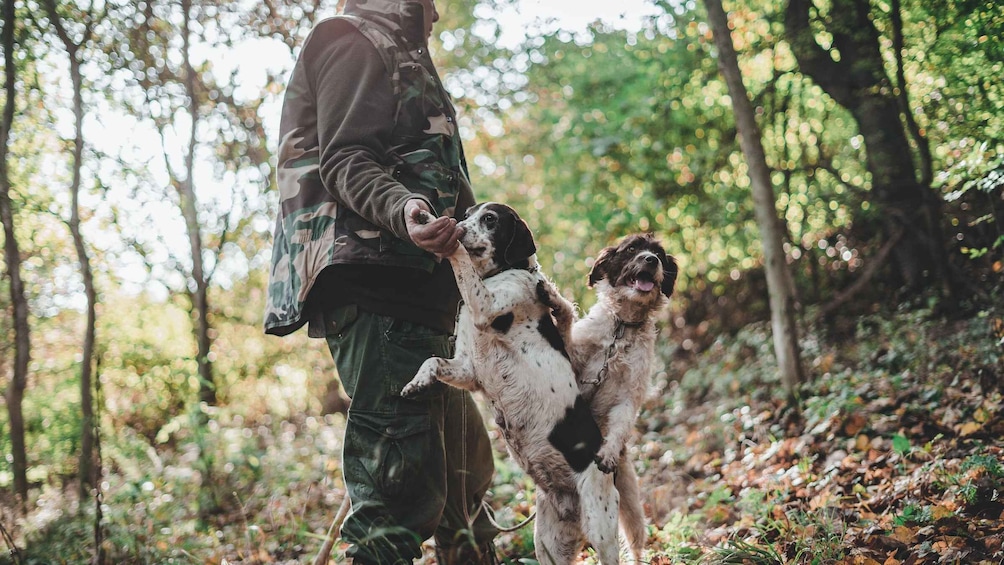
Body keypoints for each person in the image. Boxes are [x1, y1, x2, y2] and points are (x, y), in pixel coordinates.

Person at [263, 0, 498, 562]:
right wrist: (406, 210)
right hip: (381, 291)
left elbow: (449, 185)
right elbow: (345, 158)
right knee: (398, 501)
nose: (438, 14)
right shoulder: (351, 39)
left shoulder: (404, 55)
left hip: (425, 302)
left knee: (465, 487)